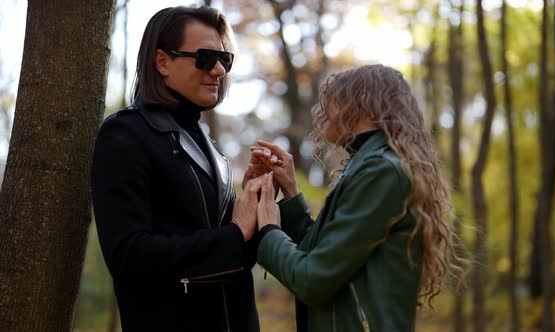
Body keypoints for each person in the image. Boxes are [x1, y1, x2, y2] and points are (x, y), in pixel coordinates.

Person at [246, 64, 467, 332]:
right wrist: (291, 192)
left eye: (335, 97)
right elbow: (324, 258)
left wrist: (268, 229)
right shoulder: (368, 167)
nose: (321, 109)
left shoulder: (381, 171)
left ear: (365, 103)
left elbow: (312, 280)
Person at [91, 6, 261, 331]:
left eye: (224, 60)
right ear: (162, 62)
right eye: (205, 58)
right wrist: (234, 234)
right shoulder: (125, 134)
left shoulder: (210, 146)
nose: (219, 71)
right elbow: (128, 255)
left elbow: (233, 252)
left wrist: (259, 206)